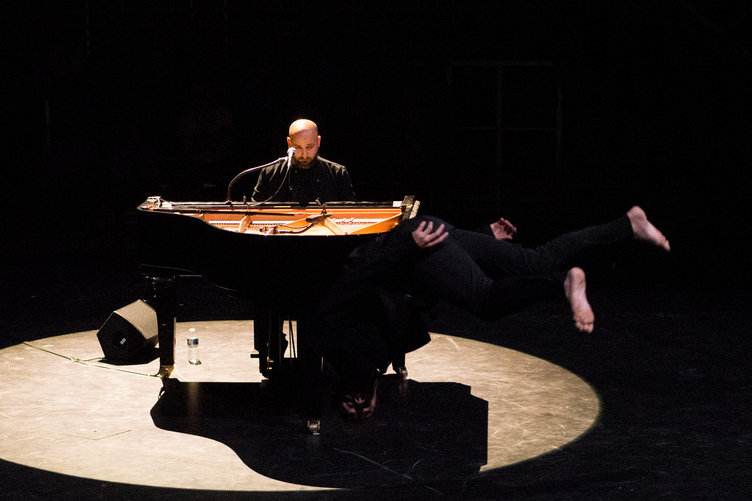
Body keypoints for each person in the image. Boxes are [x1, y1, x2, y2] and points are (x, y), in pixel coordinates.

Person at [310, 206, 671, 421]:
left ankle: (563, 284)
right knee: (534, 260)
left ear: (338, 393)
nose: (359, 405)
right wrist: (480, 237)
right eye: (364, 411)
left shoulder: (336, 341)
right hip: (428, 242)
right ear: (375, 401)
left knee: (484, 299)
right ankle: (628, 224)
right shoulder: (376, 361)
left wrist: (407, 246)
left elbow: (356, 278)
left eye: (348, 406)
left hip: (413, 247)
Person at [251, 119, 357, 206]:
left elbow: (351, 213)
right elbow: (254, 212)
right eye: (298, 147)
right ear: (289, 143)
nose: (304, 155)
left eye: (309, 147)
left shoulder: (337, 173)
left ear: (318, 141)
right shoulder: (269, 173)